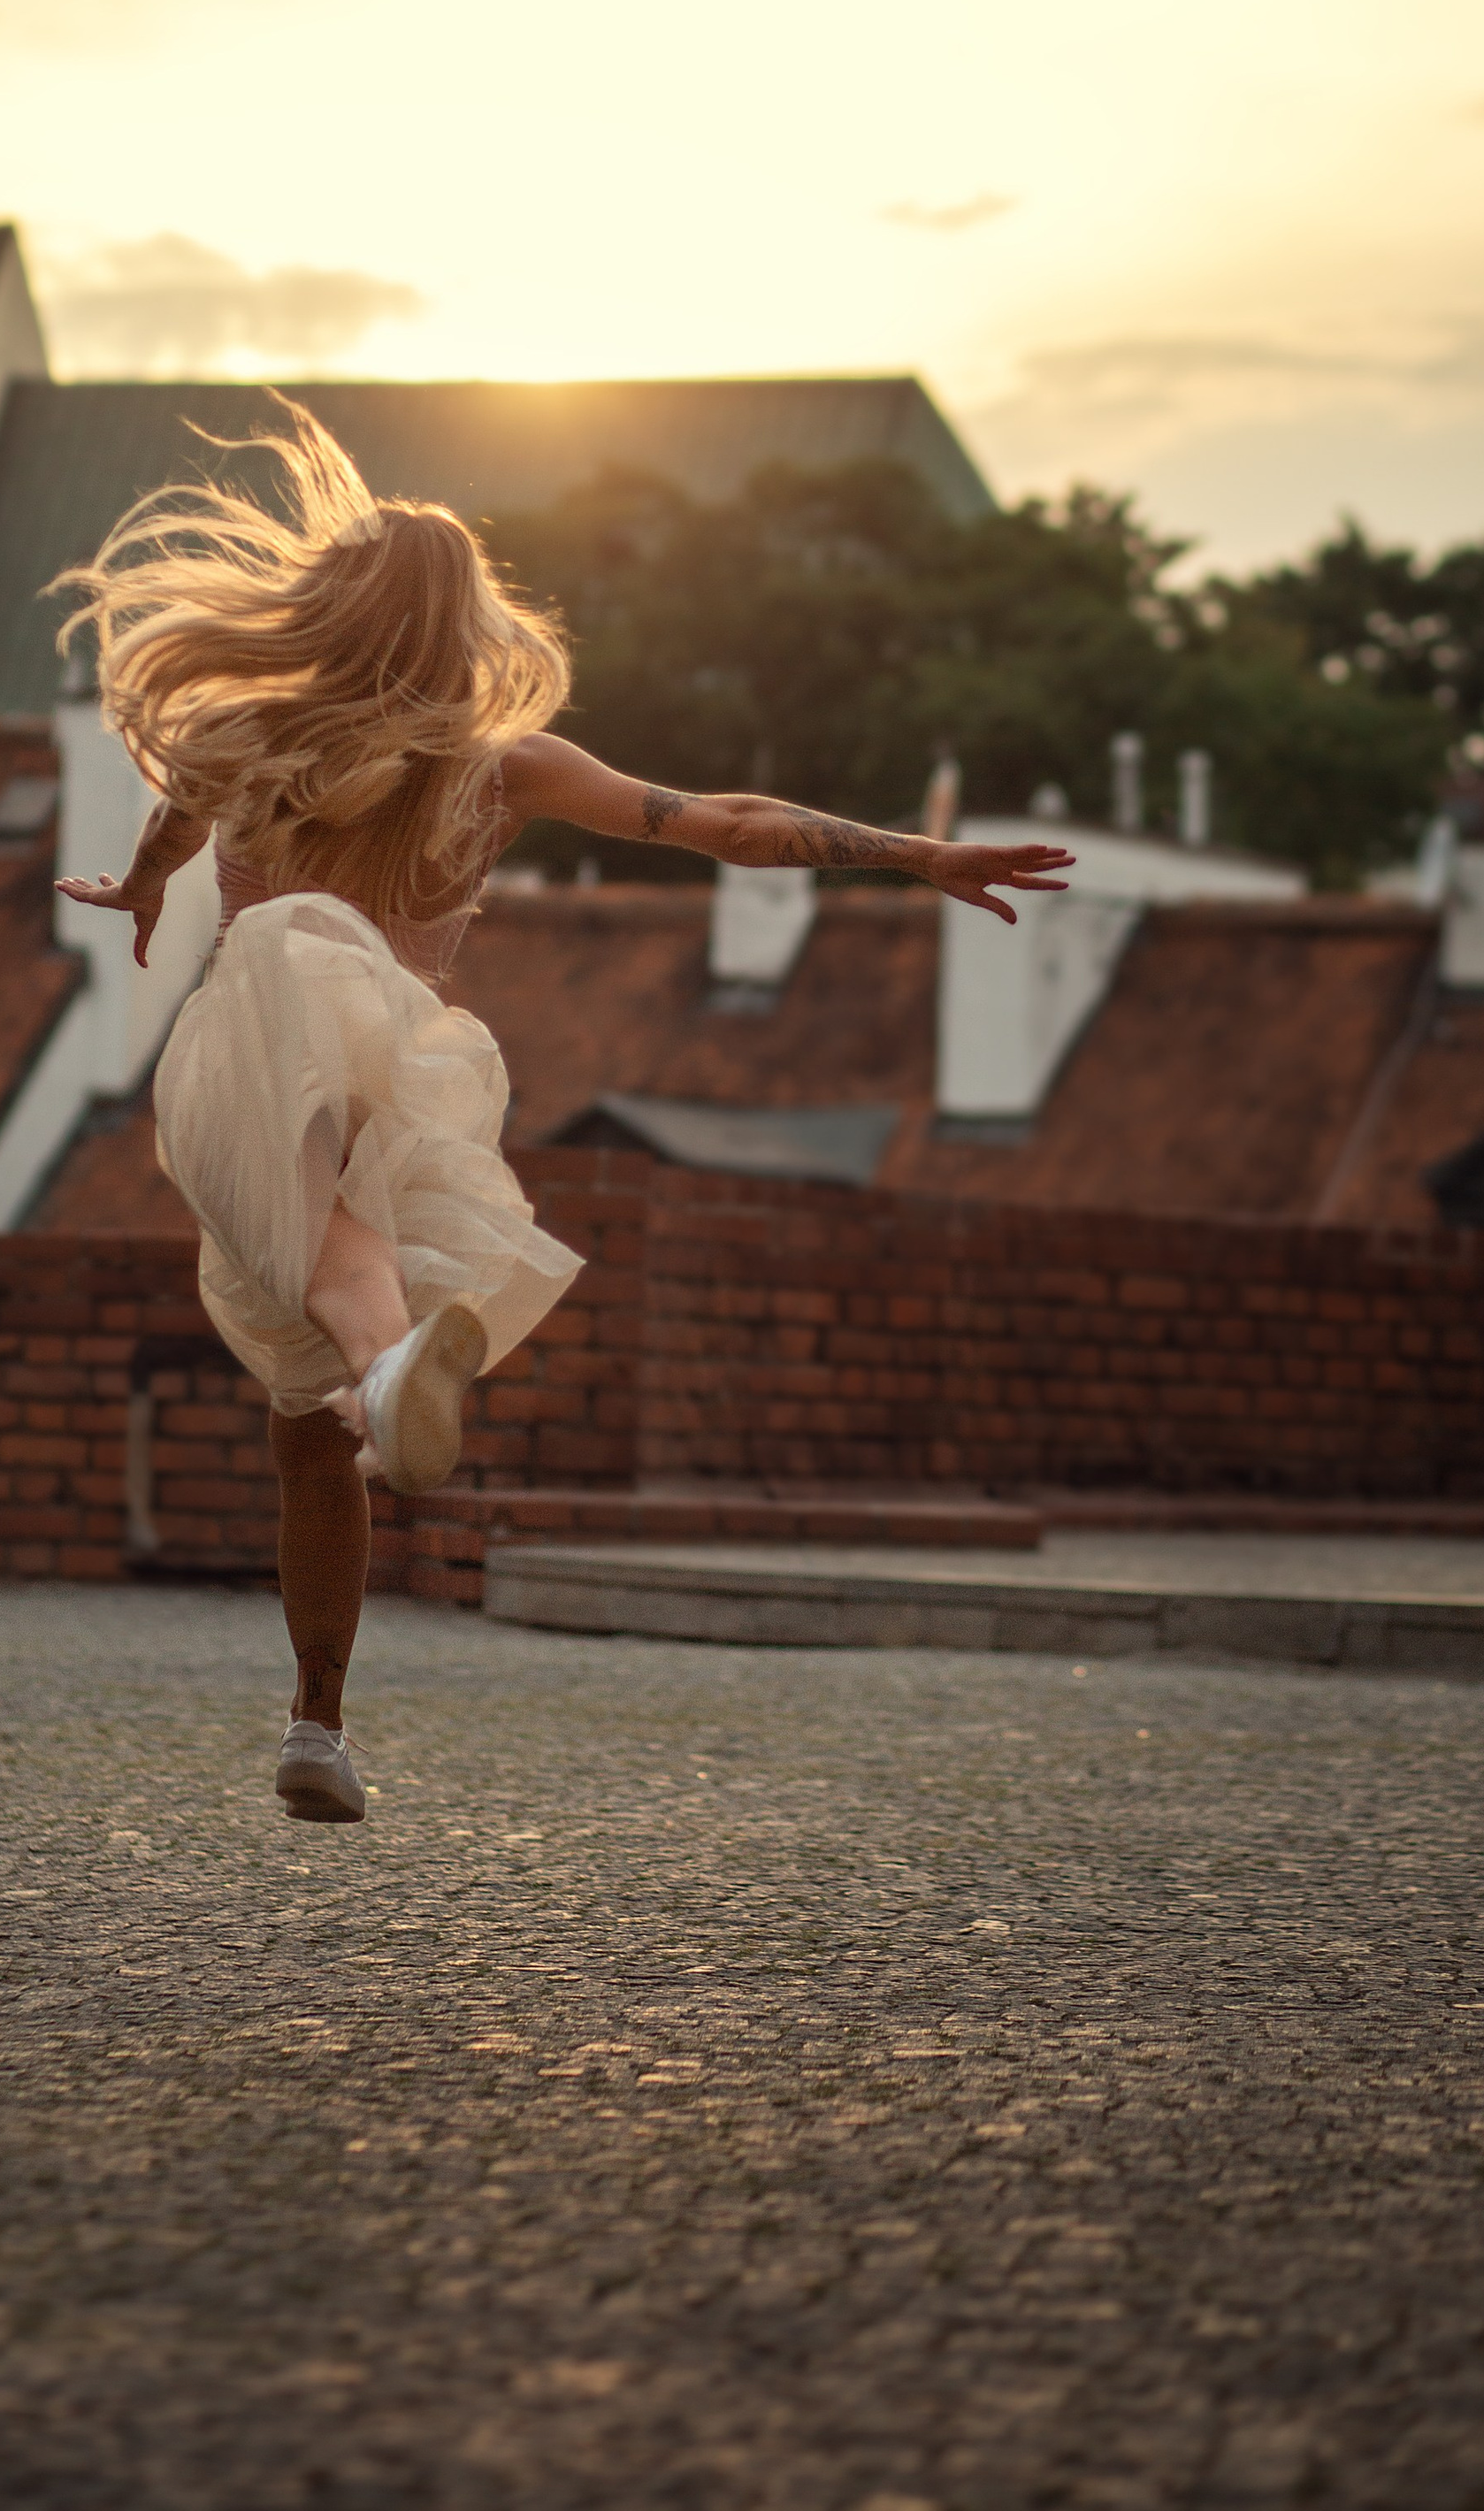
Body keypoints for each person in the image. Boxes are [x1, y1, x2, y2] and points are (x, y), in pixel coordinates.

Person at [54, 403, 1073, 1826]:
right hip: (397, 1087)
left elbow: (173, 815)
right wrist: (911, 854)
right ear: (459, 624)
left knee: (308, 1398)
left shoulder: (248, 731)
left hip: (254, 1076)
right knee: (330, 1326)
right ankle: (370, 1451)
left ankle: (322, 1692)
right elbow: (718, 820)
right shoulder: (501, 765)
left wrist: (149, 887)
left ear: (329, 607)